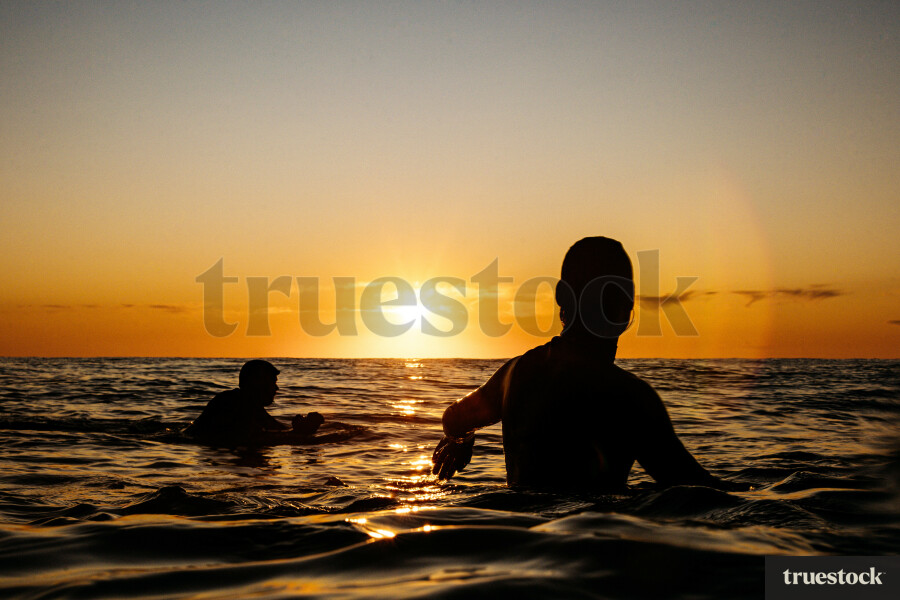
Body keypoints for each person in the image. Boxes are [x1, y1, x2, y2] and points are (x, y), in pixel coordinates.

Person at [432, 237, 749, 493]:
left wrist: (462, 439)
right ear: (627, 305)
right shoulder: (629, 398)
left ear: (561, 297)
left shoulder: (515, 376)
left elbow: (454, 419)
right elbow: (701, 493)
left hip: (524, 549)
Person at [185, 359, 324, 446]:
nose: (276, 388)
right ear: (257, 382)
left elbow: (277, 429)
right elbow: (250, 436)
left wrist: (300, 428)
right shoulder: (235, 403)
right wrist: (299, 433)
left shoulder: (249, 405)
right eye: (272, 383)